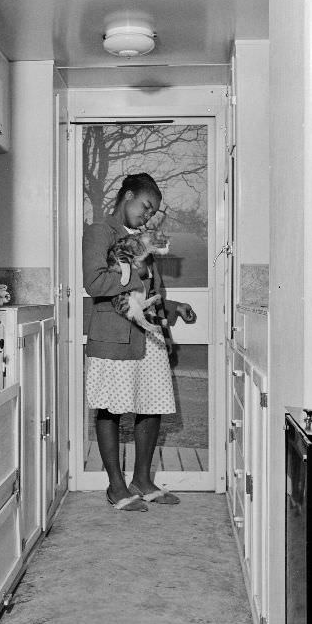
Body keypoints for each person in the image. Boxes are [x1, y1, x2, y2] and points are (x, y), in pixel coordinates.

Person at [82, 173, 197, 511]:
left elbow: (150, 291)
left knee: (153, 404)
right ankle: (116, 487)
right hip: (113, 334)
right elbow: (94, 282)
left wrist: (173, 308)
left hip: (149, 334)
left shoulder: (143, 239)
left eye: (152, 213)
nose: (148, 216)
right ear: (128, 195)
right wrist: (136, 274)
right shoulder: (100, 231)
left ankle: (142, 480)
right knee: (111, 407)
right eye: (146, 207)